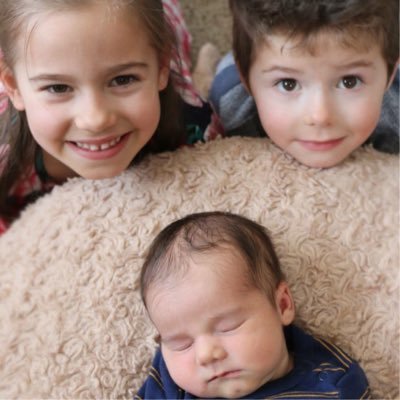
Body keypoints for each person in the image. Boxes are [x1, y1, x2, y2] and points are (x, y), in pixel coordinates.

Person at [0, 0, 218, 235]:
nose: (95, 119)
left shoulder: (195, 126)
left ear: (162, 66)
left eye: (123, 79)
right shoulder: (5, 152)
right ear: (14, 88)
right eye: (58, 88)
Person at [136, 211, 370, 399]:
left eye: (228, 326)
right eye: (181, 344)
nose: (206, 355)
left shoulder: (332, 385)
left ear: (283, 305)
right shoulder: (170, 386)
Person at [209, 0, 399, 168]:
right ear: (247, 82)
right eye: (288, 84)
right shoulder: (229, 102)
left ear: (389, 76)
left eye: (349, 82)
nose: (320, 116)